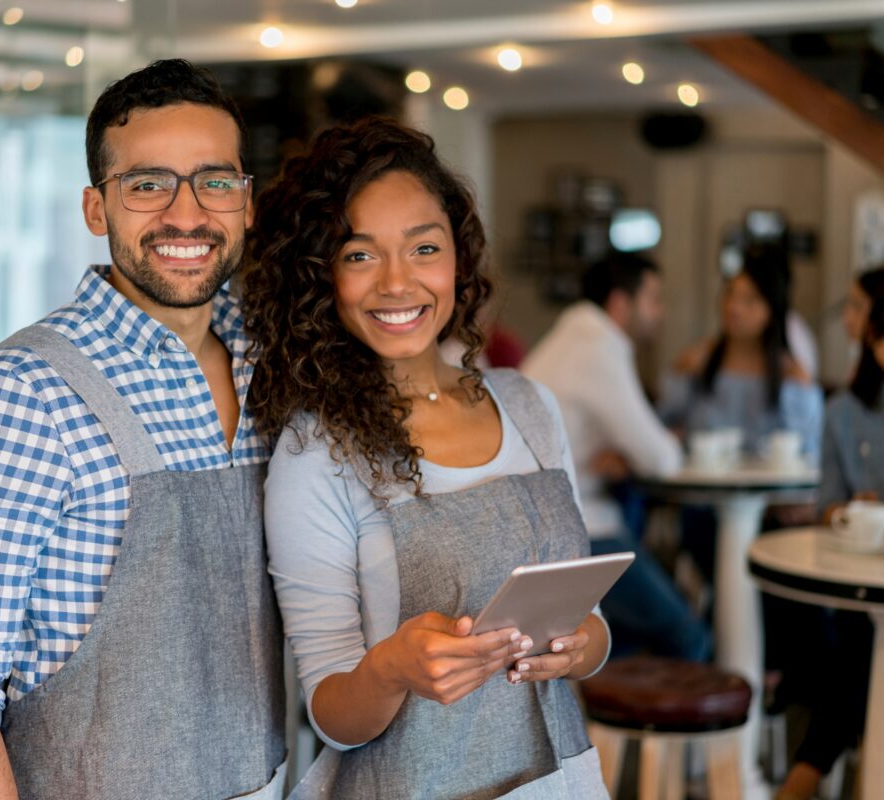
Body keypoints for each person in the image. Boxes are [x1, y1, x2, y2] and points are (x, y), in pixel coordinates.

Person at [0, 60, 287, 800]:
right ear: (95, 209)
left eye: (215, 181)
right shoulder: (16, 394)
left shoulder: (276, 369)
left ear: (246, 202)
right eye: (147, 184)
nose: (186, 214)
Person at [242, 117, 610, 798]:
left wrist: (586, 645)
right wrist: (391, 670)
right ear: (320, 276)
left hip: (556, 779)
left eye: (423, 248)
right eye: (358, 255)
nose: (396, 283)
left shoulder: (530, 406)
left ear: (459, 260)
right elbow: (331, 713)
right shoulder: (315, 453)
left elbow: (583, 613)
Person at [777, 273, 884, 800]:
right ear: (871, 334)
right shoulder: (841, 414)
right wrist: (847, 513)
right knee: (858, 642)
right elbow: (826, 505)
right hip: (868, 592)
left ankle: (804, 775)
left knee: (857, 655)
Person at [522, 254, 710, 661]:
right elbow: (660, 458)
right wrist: (643, 450)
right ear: (620, 305)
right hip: (577, 527)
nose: (662, 312)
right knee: (688, 633)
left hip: (543, 523)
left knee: (622, 639)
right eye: (654, 299)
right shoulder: (598, 347)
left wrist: (625, 454)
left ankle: (617, 719)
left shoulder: (571, 337)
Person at [662, 244, 823, 458]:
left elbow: (808, 450)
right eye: (730, 294)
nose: (734, 307)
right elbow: (663, 426)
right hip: (704, 487)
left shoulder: (790, 374)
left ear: (771, 311)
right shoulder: (697, 362)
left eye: (750, 300)